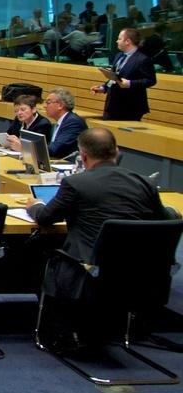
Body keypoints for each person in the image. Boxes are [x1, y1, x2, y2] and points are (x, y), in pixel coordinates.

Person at [26, 129, 167, 354]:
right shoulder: (145, 184)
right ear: (117, 151)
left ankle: (64, 329)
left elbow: (45, 218)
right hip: (137, 271)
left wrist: (34, 205)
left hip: (88, 271)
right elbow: (163, 220)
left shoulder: (76, 183)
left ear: (83, 156)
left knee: (36, 250)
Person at [91, 27, 156, 121]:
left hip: (130, 106)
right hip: (112, 104)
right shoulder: (119, 56)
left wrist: (129, 83)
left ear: (127, 41)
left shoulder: (142, 59)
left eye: (119, 39)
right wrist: (103, 88)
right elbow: (115, 77)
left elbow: (150, 80)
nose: (117, 41)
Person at [39, 88, 89, 159]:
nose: (44, 106)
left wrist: (29, 148)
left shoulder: (73, 123)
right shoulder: (62, 122)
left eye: (48, 102)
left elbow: (54, 149)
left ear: (60, 105)